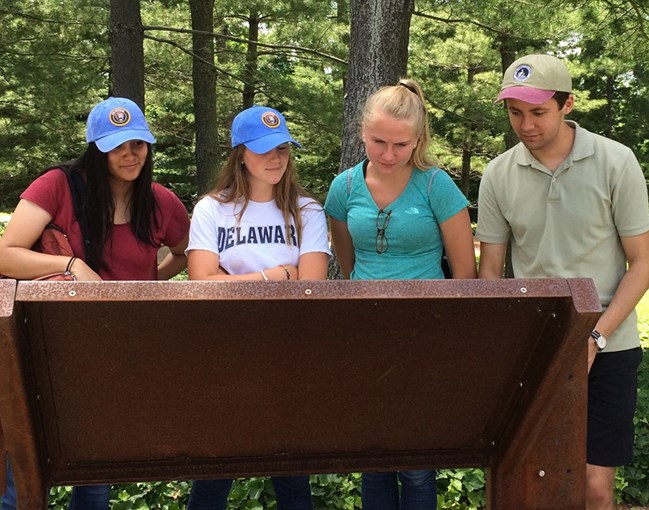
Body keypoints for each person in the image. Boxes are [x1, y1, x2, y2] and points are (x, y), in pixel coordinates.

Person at [475, 54, 649, 510]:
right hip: (535, 349)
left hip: (610, 346)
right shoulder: (497, 174)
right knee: (533, 484)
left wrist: (595, 337)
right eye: (515, 113)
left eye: (537, 112)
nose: (525, 125)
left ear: (567, 104)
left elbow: (644, 261)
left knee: (594, 488)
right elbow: (491, 272)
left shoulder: (617, 161)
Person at [0, 96, 190, 510]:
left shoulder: (160, 201)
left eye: (137, 144)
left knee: (96, 474)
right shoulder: (58, 186)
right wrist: (72, 264)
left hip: (119, 350)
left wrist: (146, 284)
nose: (129, 154)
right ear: (96, 148)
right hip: (50, 347)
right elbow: (5, 253)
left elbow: (187, 251)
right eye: (116, 145)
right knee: (26, 468)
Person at [324, 79, 477, 510]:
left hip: (425, 335)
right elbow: (348, 260)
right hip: (362, 332)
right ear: (361, 133)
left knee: (415, 460)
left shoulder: (436, 186)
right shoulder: (344, 187)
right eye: (378, 142)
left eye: (400, 145)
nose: (388, 154)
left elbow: (465, 273)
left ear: (418, 140)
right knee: (373, 456)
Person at [185, 105, 330, 509]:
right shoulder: (212, 209)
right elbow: (202, 285)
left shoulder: (307, 211)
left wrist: (236, 283)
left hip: (290, 350)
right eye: (265, 149)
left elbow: (312, 288)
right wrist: (277, 276)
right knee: (218, 466)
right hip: (226, 349)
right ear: (240, 154)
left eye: (283, 148)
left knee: (291, 472)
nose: (276, 157)